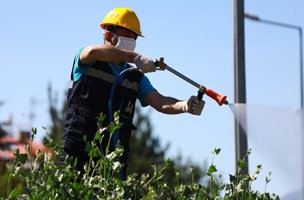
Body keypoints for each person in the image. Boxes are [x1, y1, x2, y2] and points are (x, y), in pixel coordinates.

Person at [62, 7, 205, 178]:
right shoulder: (87, 60)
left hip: (113, 162)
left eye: (133, 39)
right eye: (126, 37)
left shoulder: (134, 77)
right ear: (108, 36)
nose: (131, 43)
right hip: (78, 155)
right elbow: (92, 51)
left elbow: (160, 102)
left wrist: (184, 106)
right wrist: (135, 57)